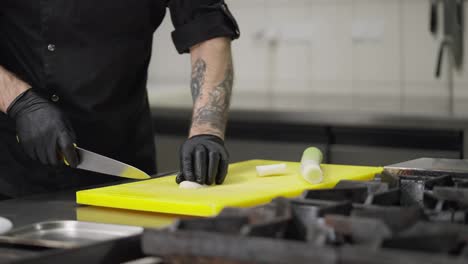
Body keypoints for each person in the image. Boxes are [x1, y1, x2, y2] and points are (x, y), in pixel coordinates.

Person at [0, 0, 239, 198]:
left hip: (121, 166)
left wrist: (206, 130)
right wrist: (20, 101)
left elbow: (208, 28)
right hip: (11, 168)